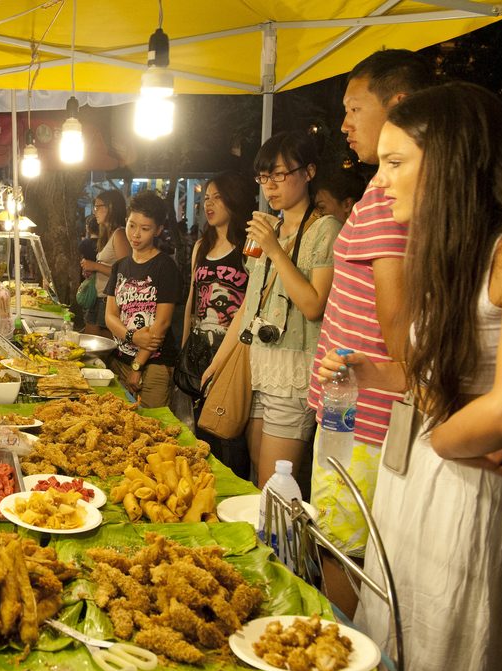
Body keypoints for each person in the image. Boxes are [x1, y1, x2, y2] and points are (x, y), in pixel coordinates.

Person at [317, 82, 502, 671]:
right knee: (391, 631)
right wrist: (371, 372)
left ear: (452, 164)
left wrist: (445, 439)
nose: (380, 179)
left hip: (463, 487)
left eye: (397, 163)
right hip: (416, 477)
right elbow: (430, 372)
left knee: (445, 646)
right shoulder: (450, 252)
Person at [305, 49, 436, 616]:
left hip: (363, 420)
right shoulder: (382, 196)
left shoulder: (390, 203)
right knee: (339, 550)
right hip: (349, 412)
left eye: (355, 107)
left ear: (399, 106)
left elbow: (399, 330)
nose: (344, 123)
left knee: (344, 556)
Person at [204, 131, 341, 488]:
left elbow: (313, 305)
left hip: (293, 371)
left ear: (308, 172)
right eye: (264, 177)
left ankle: (285, 545)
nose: (270, 186)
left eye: (279, 175)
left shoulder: (325, 230)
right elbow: (250, 305)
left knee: (273, 484)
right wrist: (218, 362)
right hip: (259, 366)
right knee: (255, 473)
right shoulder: (272, 226)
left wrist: (275, 250)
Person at [182, 171, 254, 478]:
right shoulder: (201, 246)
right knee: (201, 429)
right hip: (199, 349)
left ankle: (232, 489)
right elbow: (191, 299)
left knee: (228, 429)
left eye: (217, 197)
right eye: (206, 198)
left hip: (232, 351)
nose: (209, 204)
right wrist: (185, 346)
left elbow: (252, 304)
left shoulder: (249, 247)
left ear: (234, 200)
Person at [104, 191, 185, 409]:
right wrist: (132, 336)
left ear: (158, 230)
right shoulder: (120, 266)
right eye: (132, 225)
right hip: (119, 359)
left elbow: (162, 324)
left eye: (145, 228)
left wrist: (138, 365)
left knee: (153, 426)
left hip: (153, 364)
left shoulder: (165, 267)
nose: (136, 234)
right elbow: (110, 315)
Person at [80, 189, 128, 336]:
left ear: (110, 207)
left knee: (103, 349)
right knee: (90, 343)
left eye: (97, 207)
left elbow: (125, 273)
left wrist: (96, 266)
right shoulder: (107, 235)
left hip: (109, 300)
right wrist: (93, 270)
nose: (94, 212)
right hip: (99, 298)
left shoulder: (120, 234)